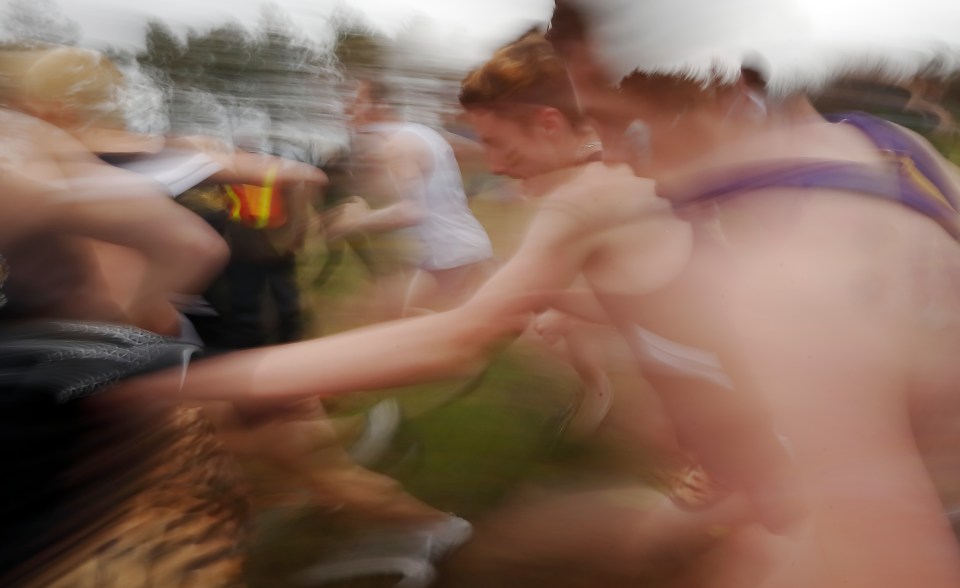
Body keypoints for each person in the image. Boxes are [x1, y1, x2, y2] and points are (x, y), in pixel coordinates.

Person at [328, 79, 496, 314]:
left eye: (357, 101)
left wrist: (355, 222)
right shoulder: (420, 133)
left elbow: (412, 212)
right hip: (462, 248)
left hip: (451, 254)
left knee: (420, 324)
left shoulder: (398, 147)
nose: (349, 109)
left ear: (380, 106)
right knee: (407, 316)